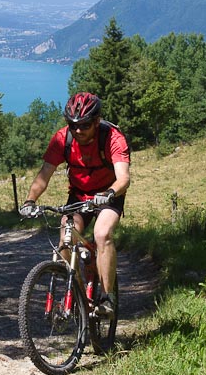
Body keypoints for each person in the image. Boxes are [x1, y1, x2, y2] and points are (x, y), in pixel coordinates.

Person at [19, 92, 131, 315]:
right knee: (66, 238)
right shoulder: (62, 139)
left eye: (85, 125)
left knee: (102, 235)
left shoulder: (112, 138)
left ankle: (107, 298)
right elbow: (44, 175)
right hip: (79, 195)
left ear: (97, 121)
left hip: (109, 194)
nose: (78, 130)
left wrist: (109, 193)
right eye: (73, 125)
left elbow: (124, 178)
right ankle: (79, 294)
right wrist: (30, 200)